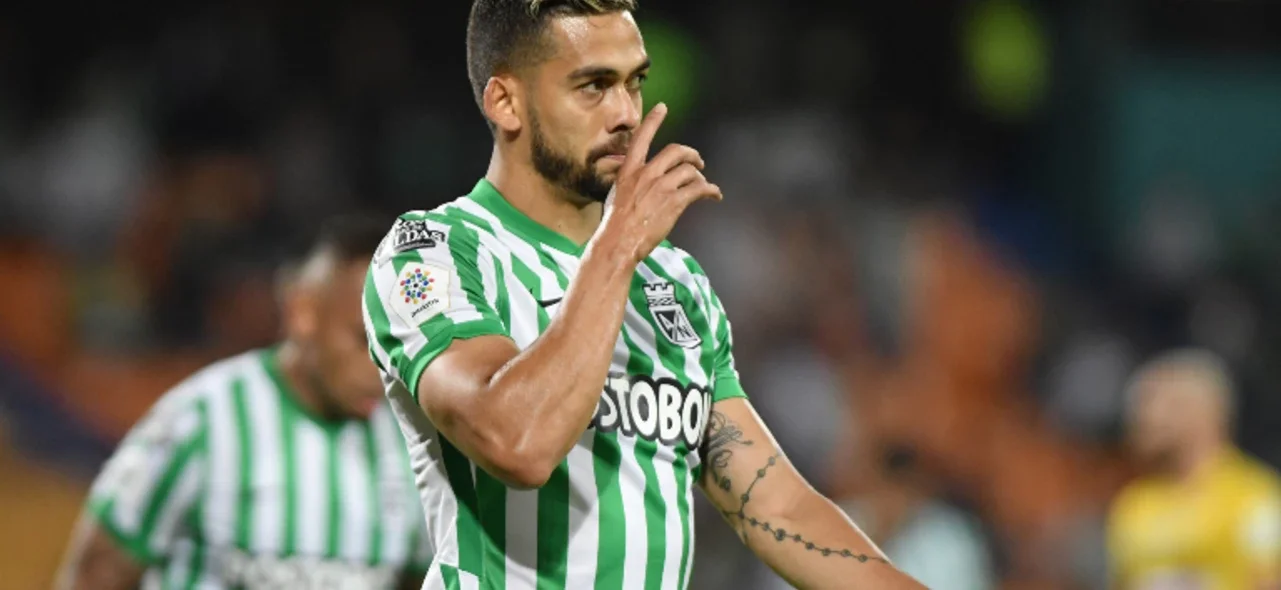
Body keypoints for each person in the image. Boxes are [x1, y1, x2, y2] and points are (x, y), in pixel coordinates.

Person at [360, 1, 925, 588]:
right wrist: (618, 246)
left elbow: (777, 507)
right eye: (593, 86)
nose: (627, 114)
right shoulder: (435, 252)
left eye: (634, 83)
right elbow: (517, 443)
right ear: (506, 102)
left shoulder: (673, 283)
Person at [56, 215, 432, 590]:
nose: (386, 369)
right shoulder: (201, 420)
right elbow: (97, 573)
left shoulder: (415, 443)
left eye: (399, 344)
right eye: (363, 340)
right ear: (303, 313)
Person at [1109, 349, 1281, 590]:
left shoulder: (1254, 496)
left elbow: (1269, 581)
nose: (1142, 417)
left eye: (1156, 402)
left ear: (1202, 410)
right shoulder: (1134, 504)